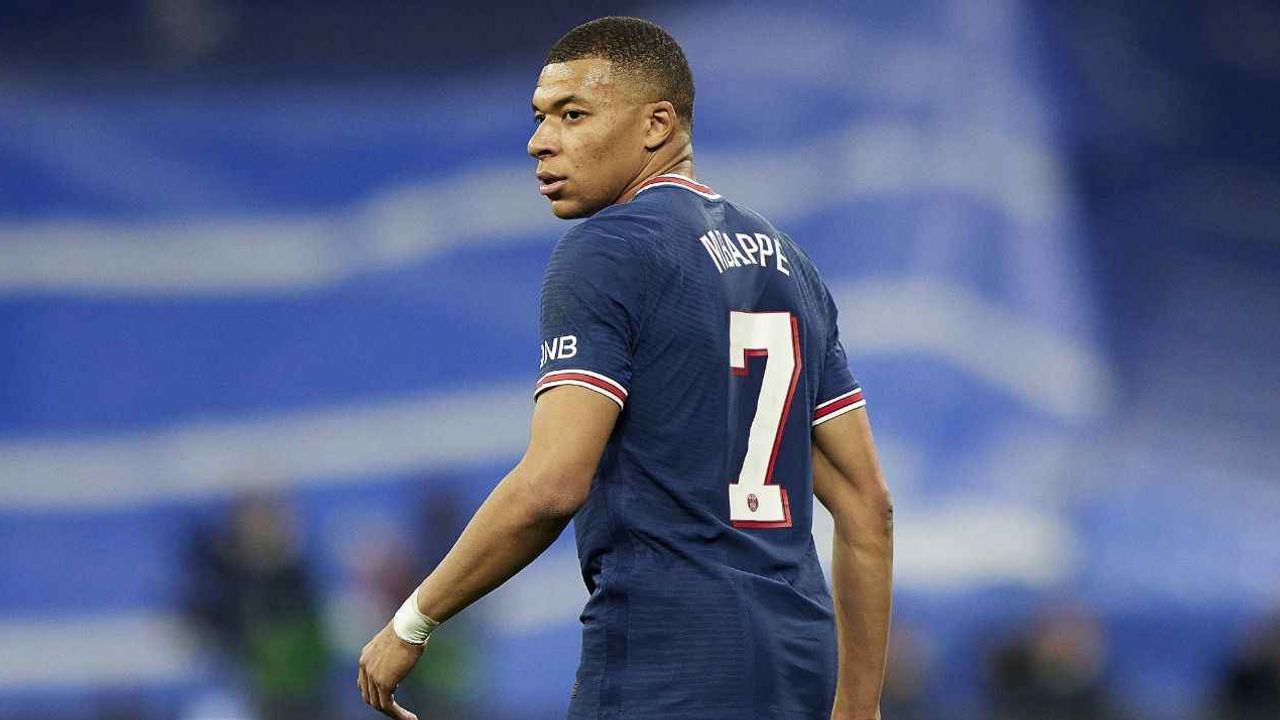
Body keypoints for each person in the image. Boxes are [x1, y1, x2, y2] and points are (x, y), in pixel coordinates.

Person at [358, 16, 893, 720]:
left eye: (573, 114)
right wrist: (859, 707)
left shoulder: (607, 250)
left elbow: (552, 486)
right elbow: (868, 506)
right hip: (797, 659)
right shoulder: (789, 264)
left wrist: (413, 621)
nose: (540, 141)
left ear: (657, 125)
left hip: (669, 659)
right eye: (540, 117)